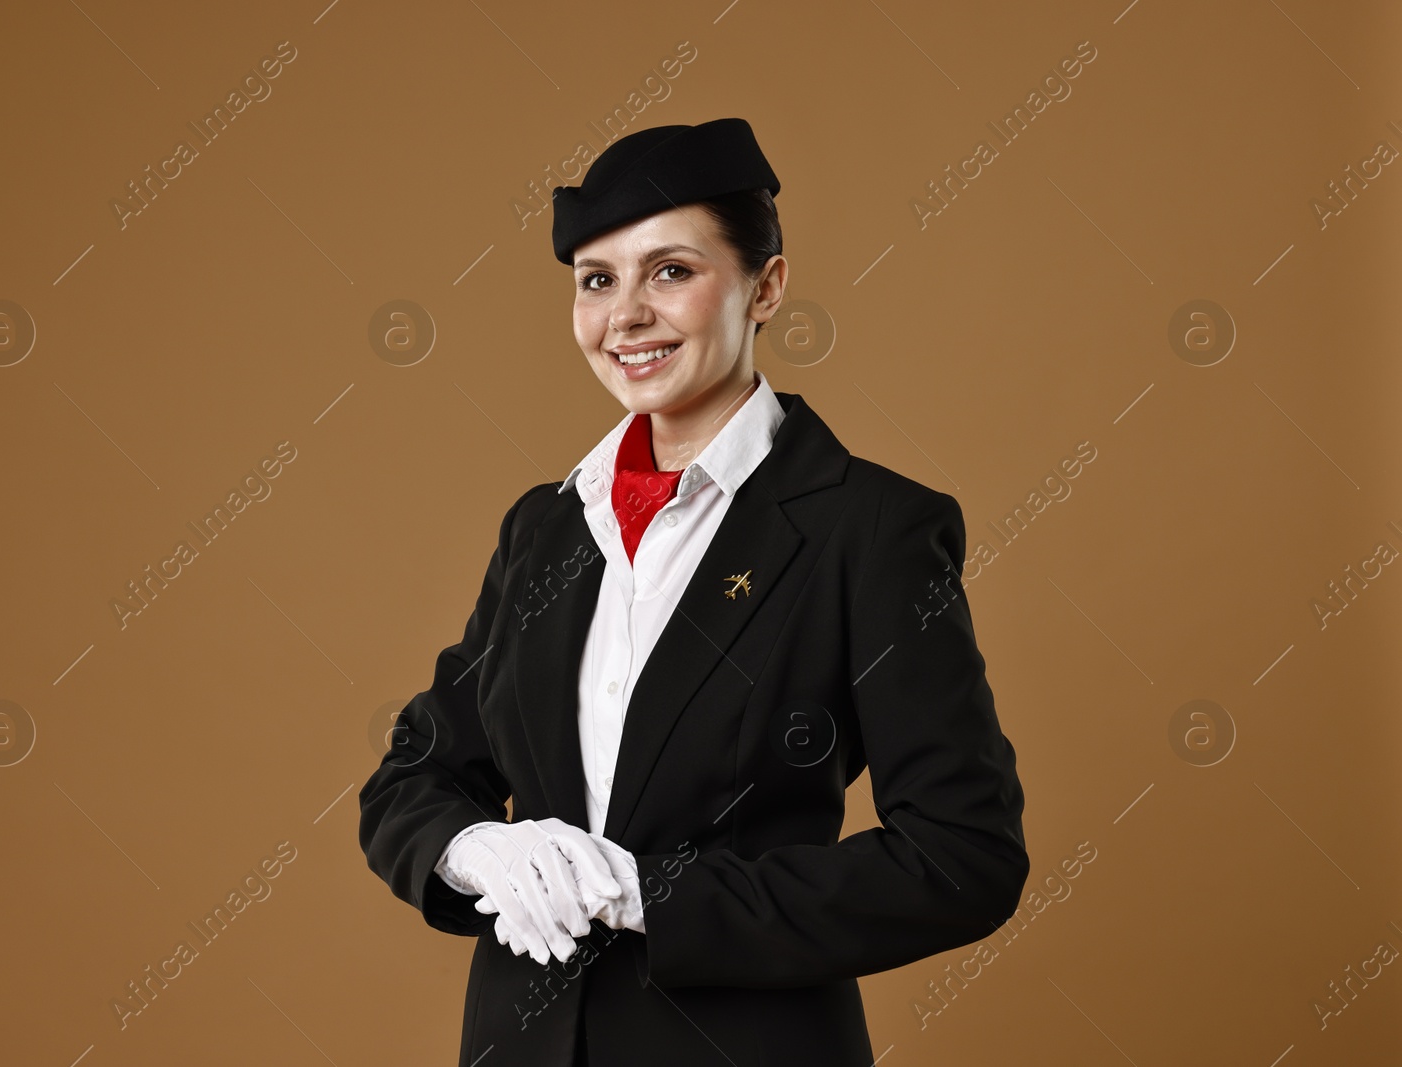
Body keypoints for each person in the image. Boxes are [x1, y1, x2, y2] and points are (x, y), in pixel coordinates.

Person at [357, 117, 1028, 1067]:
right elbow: (413, 777)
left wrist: (646, 895)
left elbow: (964, 858)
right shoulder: (545, 527)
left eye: (670, 270)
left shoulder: (870, 528)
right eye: (598, 279)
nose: (625, 314)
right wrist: (476, 849)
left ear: (767, 286)